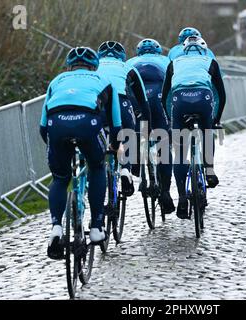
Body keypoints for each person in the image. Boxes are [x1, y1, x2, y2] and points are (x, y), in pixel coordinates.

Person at [39, 47, 122, 260]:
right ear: (94, 66)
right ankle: (96, 227)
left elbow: (42, 126)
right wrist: (113, 145)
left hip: (56, 125)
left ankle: (56, 227)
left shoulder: (56, 81)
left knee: (59, 178)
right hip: (88, 124)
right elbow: (115, 121)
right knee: (97, 167)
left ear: (68, 66)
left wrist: (56, 150)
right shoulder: (103, 79)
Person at [162, 36, 226, 219]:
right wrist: (216, 119)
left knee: (180, 153)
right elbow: (221, 93)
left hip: (179, 99)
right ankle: (209, 170)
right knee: (207, 132)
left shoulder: (174, 62)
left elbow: (165, 95)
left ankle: (182, 198)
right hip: (203, 97)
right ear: (202, 49)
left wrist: (170, 119)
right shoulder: (210, 60)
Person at [127, 38, 175, 214]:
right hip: (158, 95)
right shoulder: (166, 60)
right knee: (163, 143)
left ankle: (137, 167)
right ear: (158, 51)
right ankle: (166, 192)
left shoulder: (130, 62)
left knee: (135, 132)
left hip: (136, 97)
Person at [96, 41, 151, 197]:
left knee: (97, 136)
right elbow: (143, 102)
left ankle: (97, 169)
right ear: (122, 56)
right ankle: (126, 168)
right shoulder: (128, 67)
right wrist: (148, 127)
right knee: (128, 135)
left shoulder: (94, 68)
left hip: (98, 104)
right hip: (121, 102)